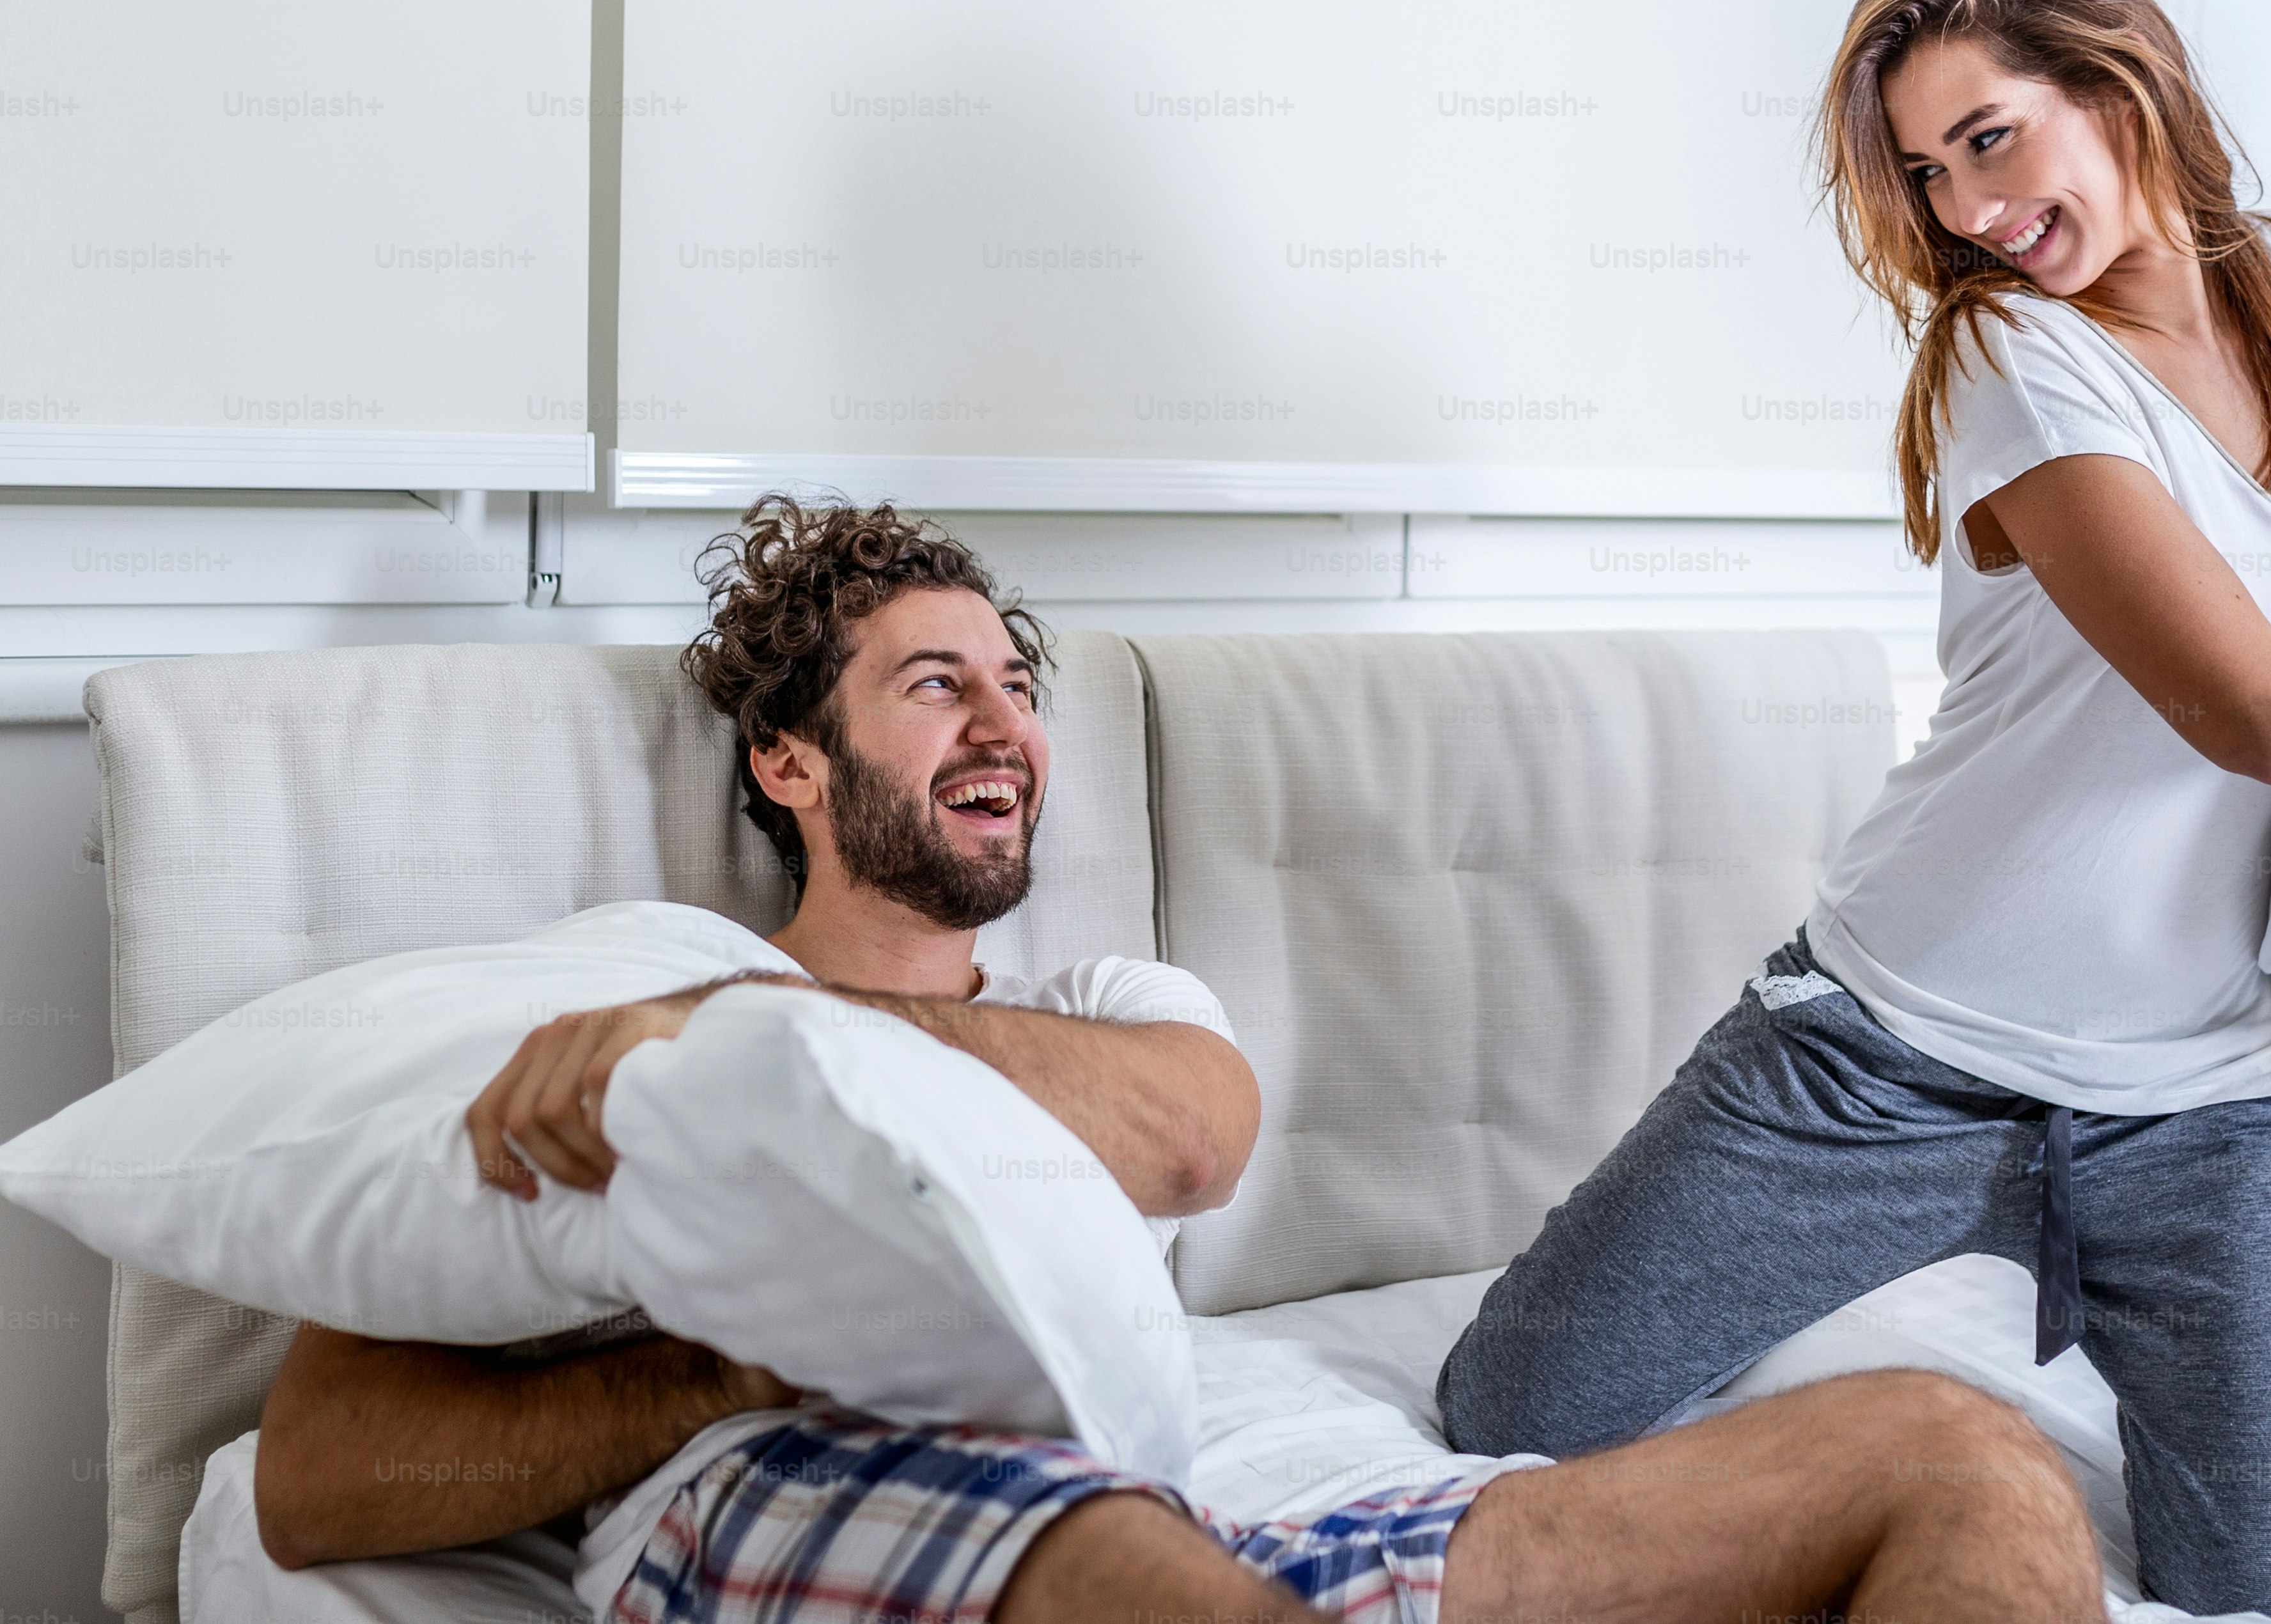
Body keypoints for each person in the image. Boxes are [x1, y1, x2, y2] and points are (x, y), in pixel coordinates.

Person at [1436, 0, 2271, 1624]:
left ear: (2117, 82)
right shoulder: (2008, 356)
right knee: (1507, 1415)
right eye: (1928, 173)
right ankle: (1905, 1427)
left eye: (1987, 138)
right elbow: (2269, 713)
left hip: (2211, 1104)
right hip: (1890, 1057)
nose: (1968, 213)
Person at [252, 496, 2109, 1624]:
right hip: (796, 1499)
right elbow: (315, 1481)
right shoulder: (620, 995)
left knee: (1955, 1456)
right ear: (788, 766)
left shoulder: (1113, 1003)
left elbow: (1189, 1143)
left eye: (1012, 686)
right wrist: (723, 1358)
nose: (1004, 726)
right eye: (931, 686)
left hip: (1179, 1509)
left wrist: (768, 1040)